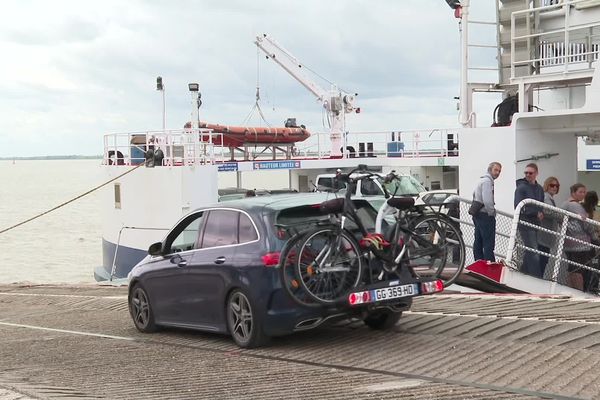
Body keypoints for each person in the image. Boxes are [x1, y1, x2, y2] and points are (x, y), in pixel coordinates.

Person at [561, 183, 596, 291]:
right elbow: (587, 224)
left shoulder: (564, 204)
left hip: (568, 242)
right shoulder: (576, 206)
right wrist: (595, 238)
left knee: (572, 268)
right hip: (581, 244)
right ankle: (580, 291)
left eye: (584, 192)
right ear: (573, 192)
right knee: (579, 270)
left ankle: (571, 290)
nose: (583, 194)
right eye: (580, 192)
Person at [514, 163, 544, 278]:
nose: (527, 175)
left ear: (536, 174)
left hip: (535, 224)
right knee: (533, 252)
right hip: (525, 224)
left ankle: (522, 274)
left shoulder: (539, 188)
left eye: (530, 173)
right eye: (526, 173)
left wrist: (541, 212)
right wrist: (535, 212)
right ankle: (536, 278)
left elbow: (540, 204)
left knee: (530, 251)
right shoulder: (521, 188)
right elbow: (518, 206)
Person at [472, 162, 502, 262]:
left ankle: (478, 262)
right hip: (485, 215)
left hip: (478, 214)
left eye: (499, 171)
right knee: (488, 242)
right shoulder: (487, 182)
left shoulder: (481, 180)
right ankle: (489, 263)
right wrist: (492, 212)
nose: (498, 173)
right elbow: (487, 200)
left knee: (478, 240)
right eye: (496, 170)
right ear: (490, 169)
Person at [538, 177, 561, 276]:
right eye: (552, 185)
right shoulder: (546, 197)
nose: (554, 187)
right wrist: (561, 215)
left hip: (546, 237)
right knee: (542, 260)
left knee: (543, 260)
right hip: (544, 236)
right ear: (547, 185)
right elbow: (548, 210)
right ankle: (537, 280)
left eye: (557, 186)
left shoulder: (549, 198)